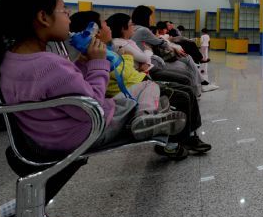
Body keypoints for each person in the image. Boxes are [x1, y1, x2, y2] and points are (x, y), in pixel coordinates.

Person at [0, 0, 184, 153]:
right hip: (86, 131)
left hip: (50, 134)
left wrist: (82, 63)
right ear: (43, 17)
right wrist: (98, 63)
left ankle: (150, 115)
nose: (68, 16)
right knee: (147, 89)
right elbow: (93, 109)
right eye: (63, 10)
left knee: (140, 93)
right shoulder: (48, 64)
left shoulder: (12, 60)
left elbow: (66, 89)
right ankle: (147, 117)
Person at [76, 11, 211, 159]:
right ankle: (173, 144)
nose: (108, 27)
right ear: (95, 31)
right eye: (105, 24)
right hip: (137, 86)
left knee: (186, 90)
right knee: (183, 96)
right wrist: (130, 58)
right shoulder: (104, 52)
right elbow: (124, 74)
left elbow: (127, 69)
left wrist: (134, 61)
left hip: (141, 80)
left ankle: (189, 136)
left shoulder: (106, 50)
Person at [131, 6, 203, 95]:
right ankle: (198, 87)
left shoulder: (133, 29)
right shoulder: (143, 30)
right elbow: (161, 43)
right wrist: (175, 48)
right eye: (150, 16)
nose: (151, 19)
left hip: (148, 59)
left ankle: (199, 83)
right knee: (187, 58)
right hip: (151, 61)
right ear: (145, 17)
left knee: (187, 56)